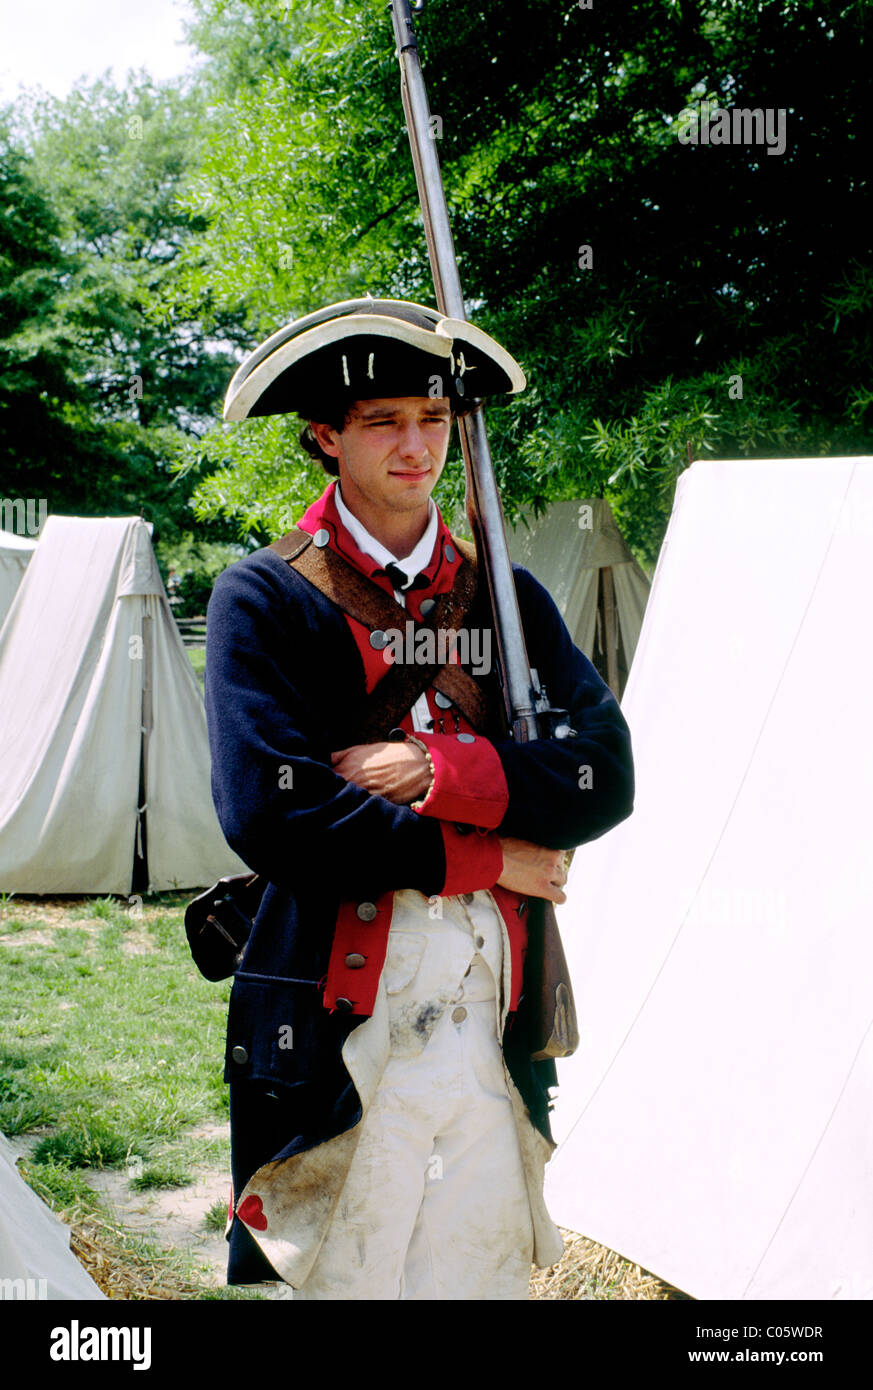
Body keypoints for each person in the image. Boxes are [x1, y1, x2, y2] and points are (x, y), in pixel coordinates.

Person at [204, 298, 634, 1300]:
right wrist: (488, 855)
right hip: (345, 1014)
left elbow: (601, 773)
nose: (416, 444)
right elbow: (276, 813)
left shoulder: (507, 599)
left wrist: (443, 773)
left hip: (494, 1011)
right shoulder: (263, 598)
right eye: (383, 420)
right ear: (324, 435)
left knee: (478, 1282)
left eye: (434, 418)